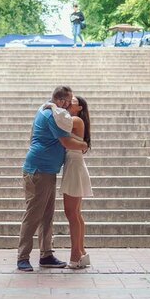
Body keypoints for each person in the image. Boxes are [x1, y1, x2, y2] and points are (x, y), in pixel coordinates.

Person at [16, 85, 89, 272]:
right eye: (68, 101)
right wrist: (85, 144)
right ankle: (23, 257)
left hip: (47, 170)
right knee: (33, 214)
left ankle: (46, 254)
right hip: (39, 169)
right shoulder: (51, 115)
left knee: (47, 215)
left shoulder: (51, 111)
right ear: (61, 101)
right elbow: (66, 141)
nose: (69, 105)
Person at [60, 95, 92, 269]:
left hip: (74, 165)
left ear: (79, 108)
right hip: (74, 164)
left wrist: (51, 107)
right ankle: (81, 252)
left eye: (71, 102)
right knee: (76, 213)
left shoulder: (75, 119)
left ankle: (75, 255)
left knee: (71, 213)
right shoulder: (75, 119)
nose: (67, 103)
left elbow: (59, 123)